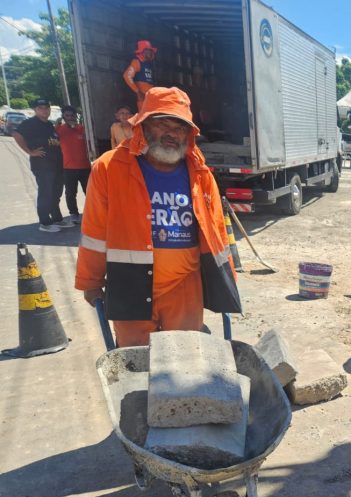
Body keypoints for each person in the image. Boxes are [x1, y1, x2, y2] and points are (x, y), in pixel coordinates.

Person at [75, 86, 242, 347]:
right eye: (163, 124)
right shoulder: (109, 168)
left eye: (180, 127)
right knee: (136, 358)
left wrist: (226, 280)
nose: (172, 133)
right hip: (129, 282)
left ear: (189, 134)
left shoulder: (200, 173)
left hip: (184, 284)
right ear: (143, 126)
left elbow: (218, 232)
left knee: (186, 356)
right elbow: (94, 231)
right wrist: (90, 280)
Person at [12, 98, 73, 233]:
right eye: (41, 108)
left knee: (56, 193)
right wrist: (30, 152)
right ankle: (45, 222)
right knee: (46, 193)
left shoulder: (49, 124)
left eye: (46, 108)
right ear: (35, 110)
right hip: (43, 166)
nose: (44, 110)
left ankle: (57, 219)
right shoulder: (30, 123)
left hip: (56, 165)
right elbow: (16, 134)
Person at [55, 106, 91, 224]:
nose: (70, 118)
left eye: (72, 115)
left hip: (85, 167)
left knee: (89, 191)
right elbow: (51, 142)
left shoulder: (83, 129)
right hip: (68, 168)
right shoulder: (59, 130)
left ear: (75, 116)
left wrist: (77, 127)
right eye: (67, 115)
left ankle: (92, 212)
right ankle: (74, 214)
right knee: (70, 193)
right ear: (63, 117)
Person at [124, 40, 157, 110]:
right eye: (147, 50)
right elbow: (127, 76)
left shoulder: (149, 64)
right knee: (144, 115)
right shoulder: (137, 62)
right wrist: (138, 92)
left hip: (150, 97)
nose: (149, 52)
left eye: (150, 50)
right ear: (142, 51)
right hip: (142, 98)